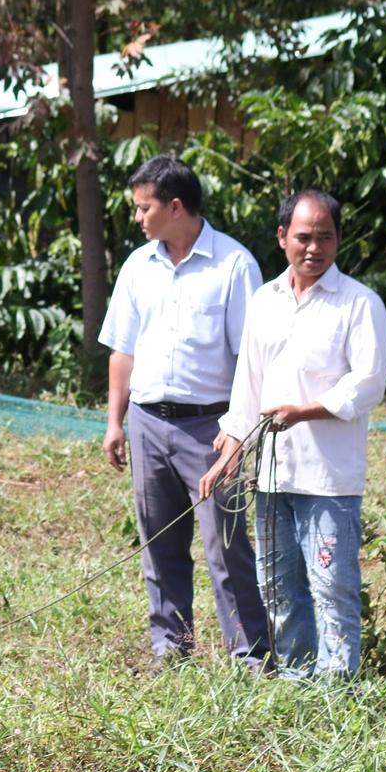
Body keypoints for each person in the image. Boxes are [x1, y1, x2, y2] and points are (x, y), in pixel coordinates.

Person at [198, 189, 386, 679]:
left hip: (329, 480)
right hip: (272, 477)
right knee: (278, 588)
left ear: (340, 239)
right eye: (303, 236)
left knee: (333, 589)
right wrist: (229, 451)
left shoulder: (359, 304)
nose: (314, 247)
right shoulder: (265, 301)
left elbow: (367, 385)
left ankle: (336, 692)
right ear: (282, 237)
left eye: (326, 237)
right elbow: (248, 386)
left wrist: (304, 411)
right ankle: (298, 683)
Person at [99, 155, 270, 669]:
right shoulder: (137, 266)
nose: (137, 218)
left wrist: (238, 434)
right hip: (149, 423)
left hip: (211, 429)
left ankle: (250, 655)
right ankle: (170, 649)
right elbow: (122, 350)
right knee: (159, 544)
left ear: (175, 207)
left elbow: (250, 361)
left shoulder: (234, 266)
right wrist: (115, 421)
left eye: (143, 208)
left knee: (227, 548)